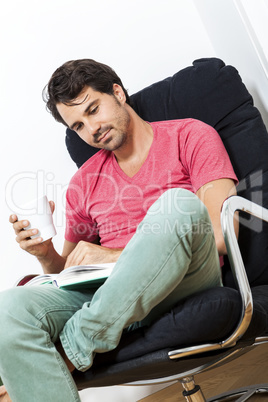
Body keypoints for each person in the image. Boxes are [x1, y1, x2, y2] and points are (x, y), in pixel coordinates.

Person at [1, 59, 238, 401]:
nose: (92, 129)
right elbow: (67, 274)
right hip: (108, 296)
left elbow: (222, 233)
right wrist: (46, 254)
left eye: (94, 110)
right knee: (7, 308)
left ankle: (73, 349)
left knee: (179, 206)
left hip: (184, 279)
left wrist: (115, 256)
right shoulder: (84, 181)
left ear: (118, 92)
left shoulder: (190, 136)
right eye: (79, 125)